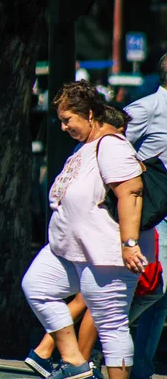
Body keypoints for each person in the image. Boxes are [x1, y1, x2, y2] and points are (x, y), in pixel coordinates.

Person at [22, 80, 151, 379]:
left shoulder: (111, 146)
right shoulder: (87, 146)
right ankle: (74, 362)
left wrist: (129, 243)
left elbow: (131, 192)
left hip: (103, 253)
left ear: (90, 115)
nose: (63, 127)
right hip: (69, 249)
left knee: (111, 325)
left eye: (68, 120)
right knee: (38, 286)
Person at [121, 54, 167, 379]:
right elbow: (115, 151)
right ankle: (107, 335)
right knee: (155, 289)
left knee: (163, 296)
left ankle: (140, 370)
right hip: (154, 214)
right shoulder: (147, 108)